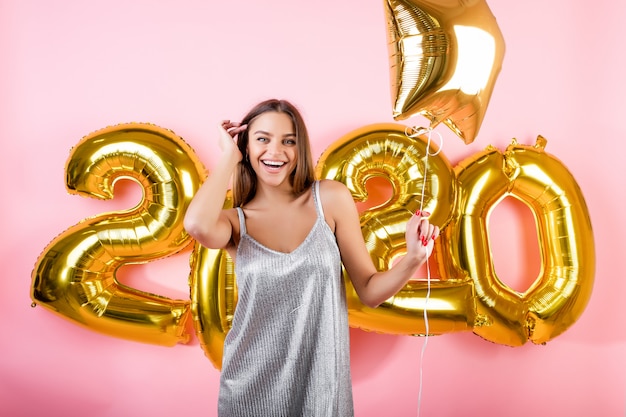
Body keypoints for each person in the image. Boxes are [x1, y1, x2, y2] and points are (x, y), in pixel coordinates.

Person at [183, 99, 439, 417]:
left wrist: (414, 258)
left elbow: (370, 291)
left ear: (299, 148)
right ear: (245, 147)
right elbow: (196, 224)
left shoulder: (330, 199)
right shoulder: (235, 222)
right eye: (262, 139)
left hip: (321, 388)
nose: (275, 151)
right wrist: (228, 158)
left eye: (288, 141)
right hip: (250, 389)